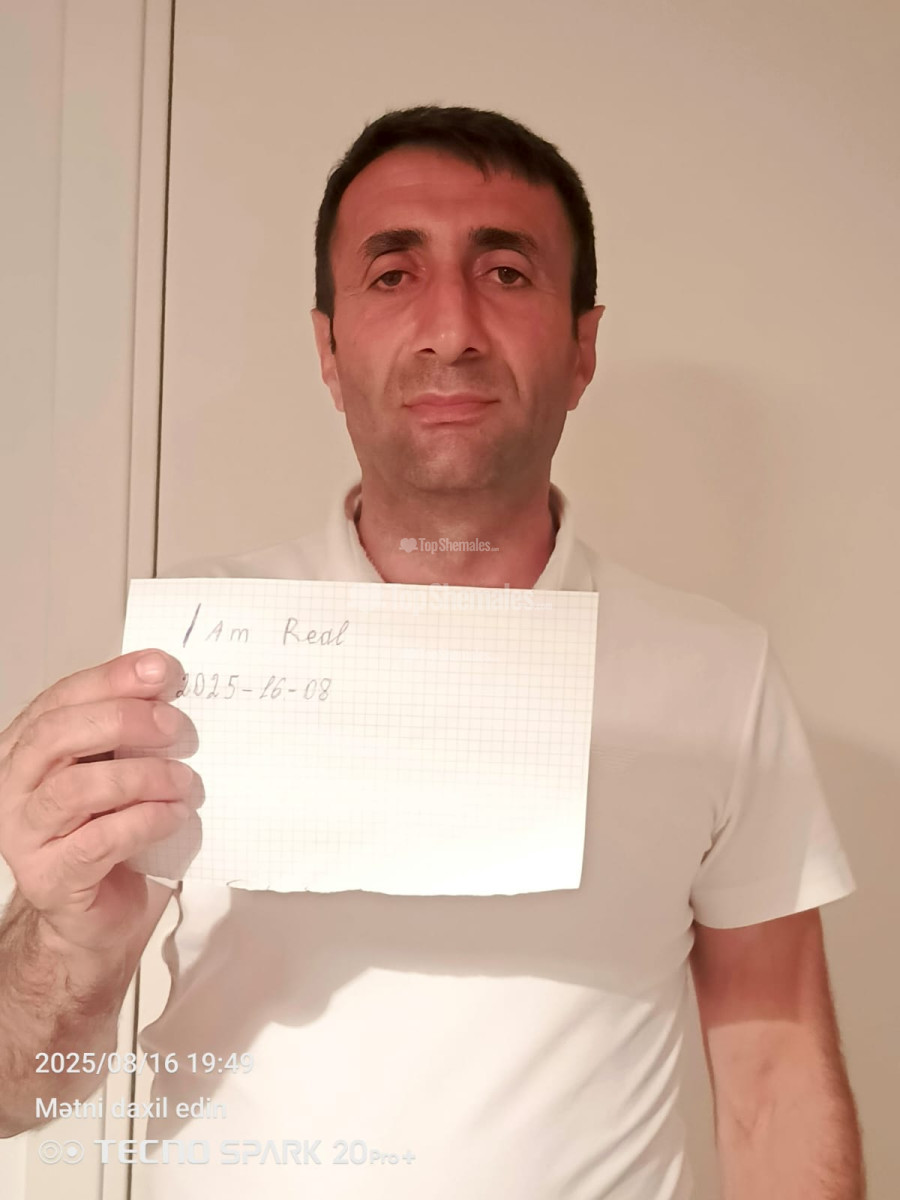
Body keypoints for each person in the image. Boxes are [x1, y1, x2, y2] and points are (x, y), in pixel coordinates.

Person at [0, 105, 865, 1198]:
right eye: (392, 275)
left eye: (505, 273)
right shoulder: (177, 669)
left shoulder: (718, 677)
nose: (451, 329)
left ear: (583, 345)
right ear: (328, 349)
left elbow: (775, 1081)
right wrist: (66, 942)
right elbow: (15, 1094)